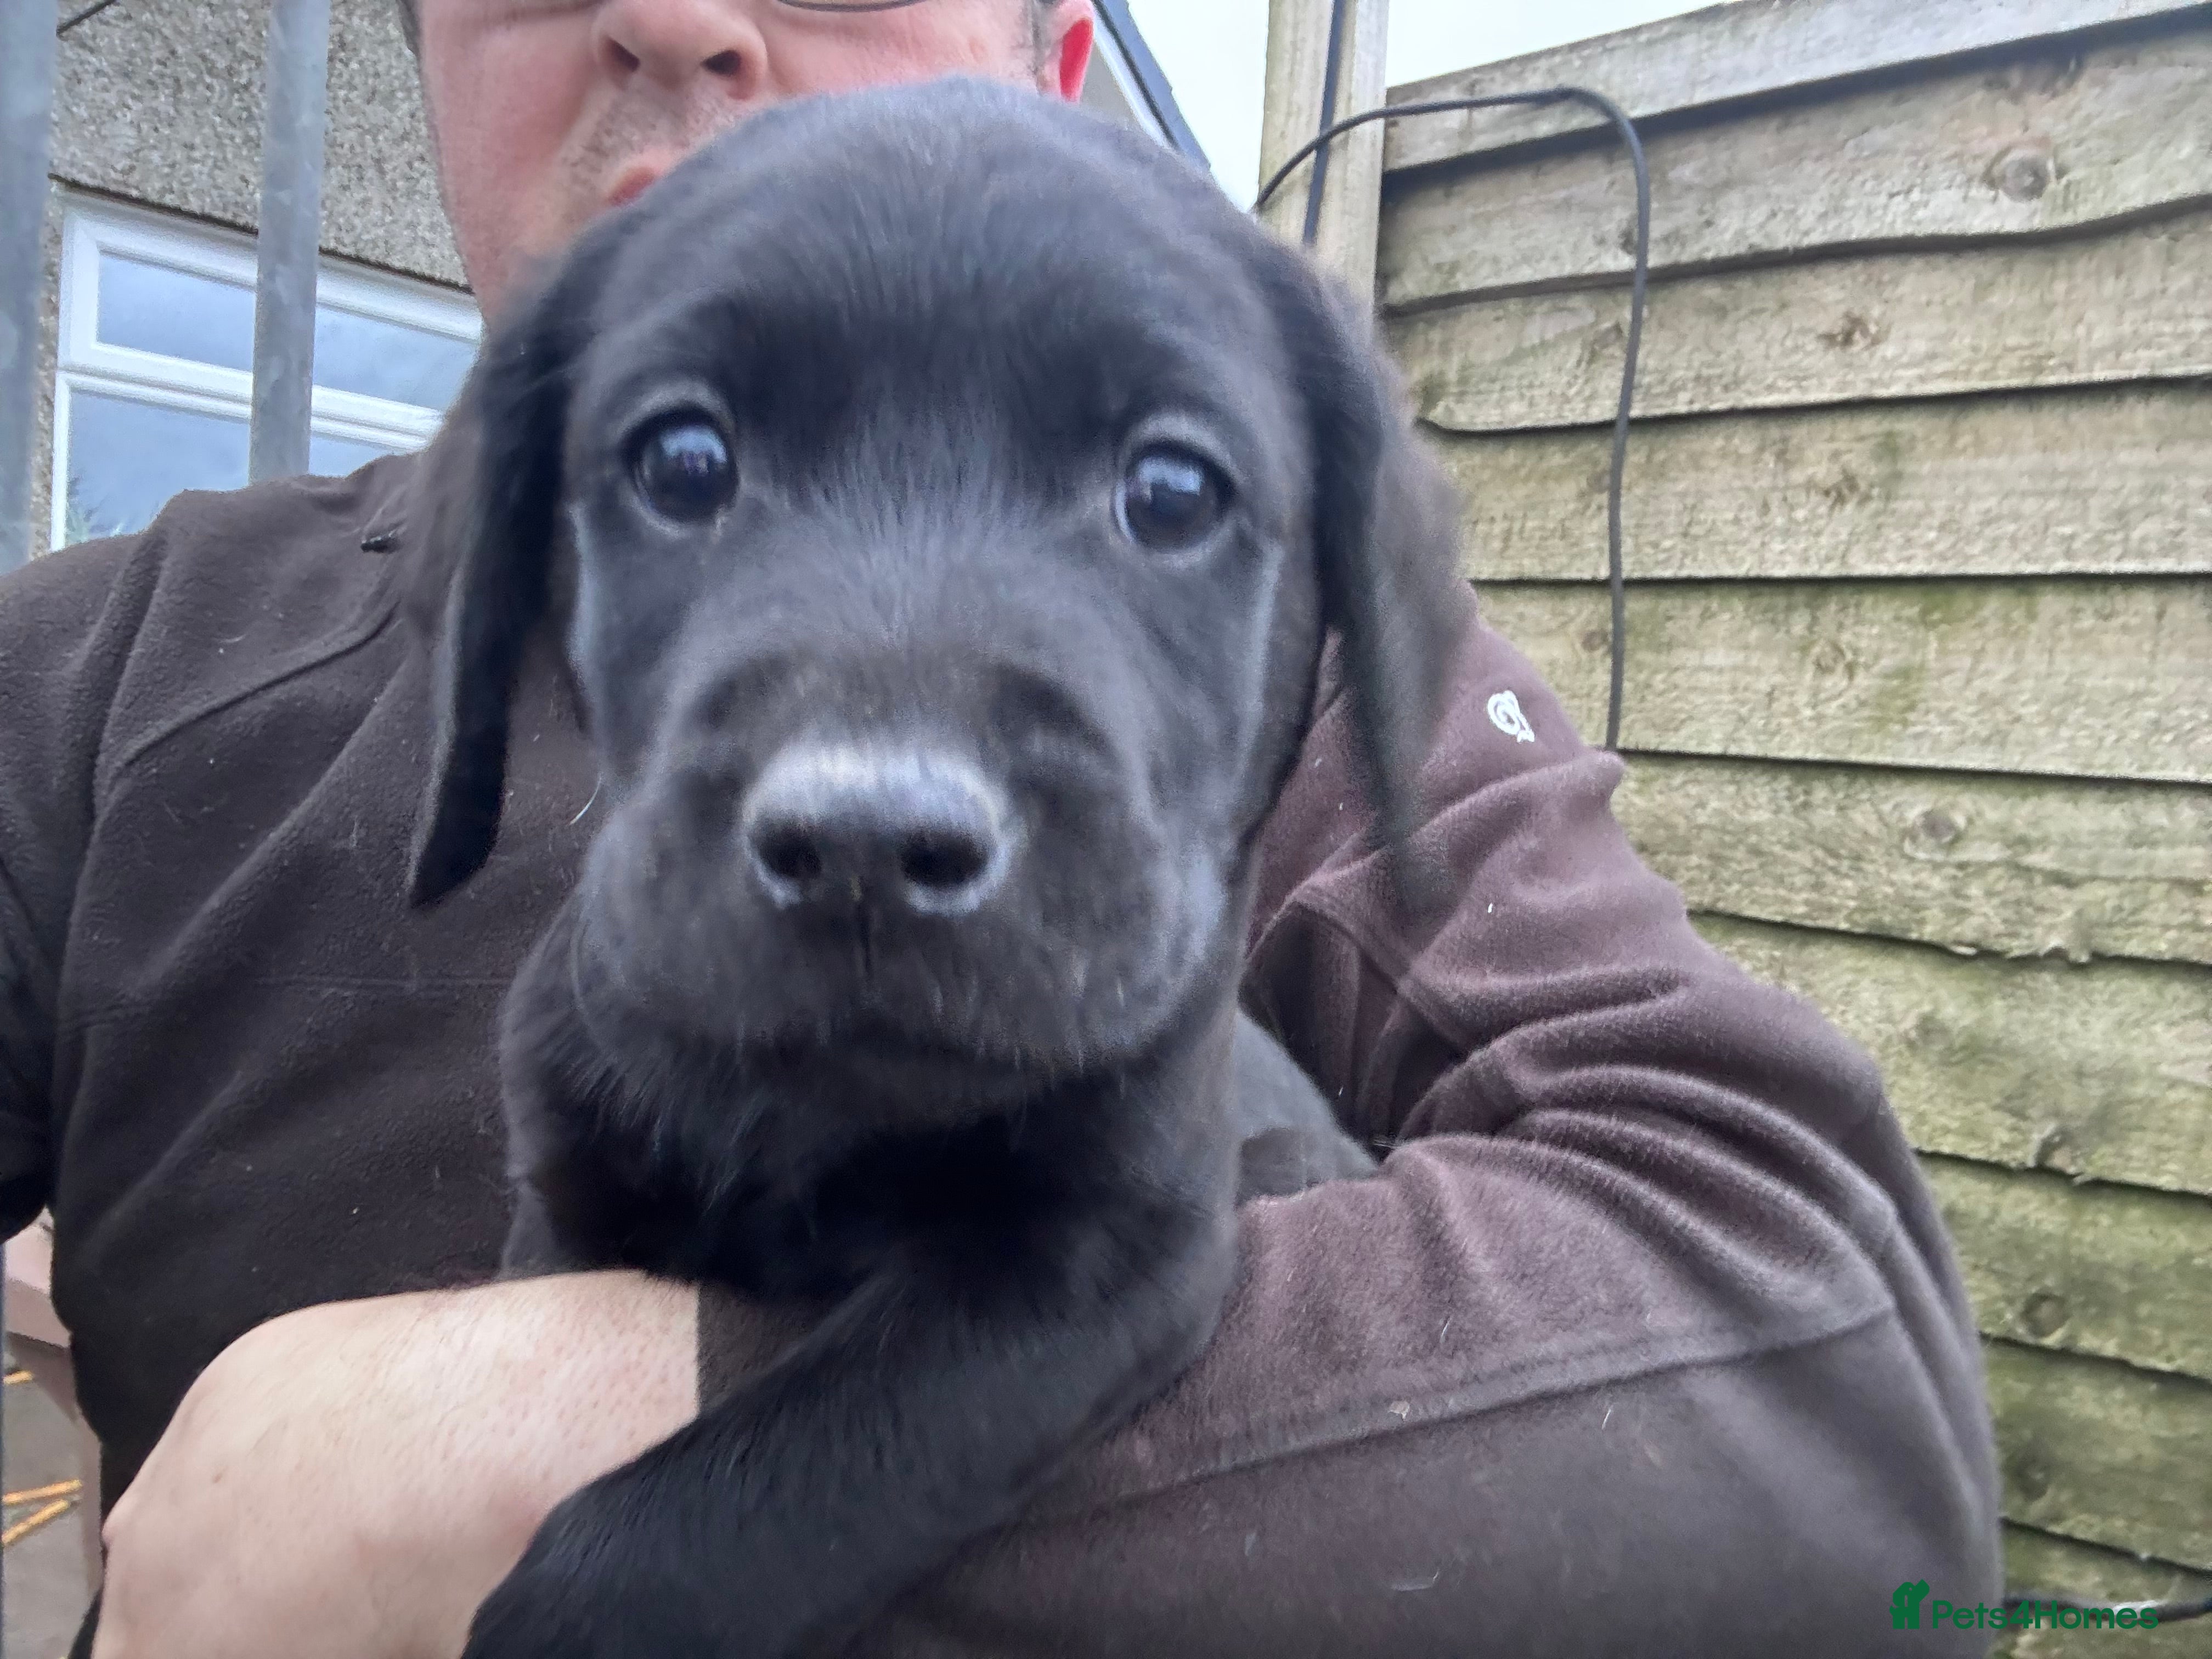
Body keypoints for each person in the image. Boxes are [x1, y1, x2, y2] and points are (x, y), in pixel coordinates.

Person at [0, 2, 2003, 1655]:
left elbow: (1838, 1387)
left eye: (1165, 497)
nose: (677, 15)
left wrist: (532, 1461)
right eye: (683, 462)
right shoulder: (101, 675)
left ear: (1055, 51)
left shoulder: (1303, 662)